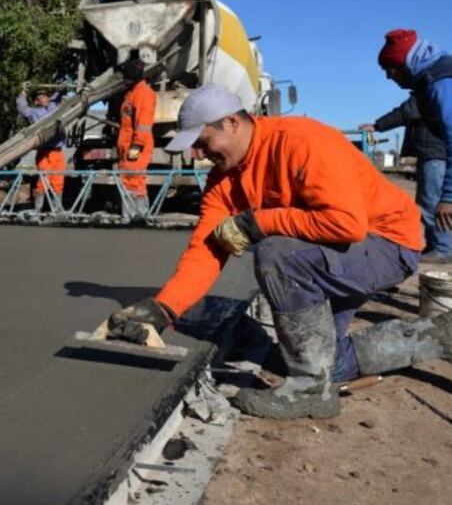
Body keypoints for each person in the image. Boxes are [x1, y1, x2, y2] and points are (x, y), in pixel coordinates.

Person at [103, 84, 452, 420]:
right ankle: (439, 335)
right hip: (336, 252)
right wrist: (165, 308)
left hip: (387, 242)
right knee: (327, 361)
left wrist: (260, 222)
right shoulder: (223, 181)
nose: (198, 154)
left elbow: (347, 224)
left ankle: (308, 392)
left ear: (233, 122)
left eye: (203, 142)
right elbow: (207, 249)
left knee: (277, 254)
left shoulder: (300, 142)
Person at [363, 29, 452, 262]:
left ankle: (443, 248)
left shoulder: (439, 83)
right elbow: (409, 110)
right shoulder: (429, 79)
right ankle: (440, 245)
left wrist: (449, 197)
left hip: (437, 152)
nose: (389, 77)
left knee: (432, 202)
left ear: (402, 64)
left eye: (389, 70)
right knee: (429, 201)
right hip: (435, 150)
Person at [116, 59, 156, 217]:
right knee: (129, 180)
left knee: (134, 181)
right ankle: (132, 216)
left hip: (136, 146)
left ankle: (137, 216)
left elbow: (143, 123)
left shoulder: (143, 94)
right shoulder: (132, 93)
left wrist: (137, 146)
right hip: (127, 146)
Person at [17, 85, 65, 211]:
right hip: (45, 152)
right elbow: (22, 108)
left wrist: (61, 88)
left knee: (58, 182)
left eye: (46, 96)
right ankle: (38, 208)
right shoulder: (34, 113)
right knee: (43, 181)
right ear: (36, 101)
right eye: (41, 97)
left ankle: (58, 208)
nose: (45, 98)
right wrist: (23, 92)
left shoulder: (53, 107)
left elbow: (57, 96)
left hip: (58, 152)